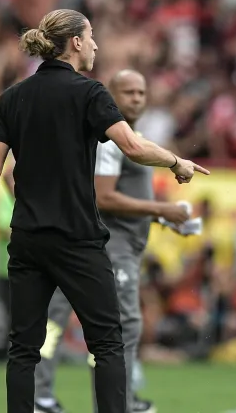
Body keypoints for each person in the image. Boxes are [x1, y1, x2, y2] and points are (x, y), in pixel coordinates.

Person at [0, 9, 208, 413]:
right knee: (108, 343)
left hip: (28, 241)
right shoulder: (90, 93)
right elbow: (133, 146)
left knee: (23, 349)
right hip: (78, 240)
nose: (95, 45)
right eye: (90, 37)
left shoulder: (12, 98)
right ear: (74, 42)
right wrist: (177, 162)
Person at [31, 70, 187, 413]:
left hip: (100, 243)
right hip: (109, 246)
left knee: (62, 322)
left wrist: (162, 217)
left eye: (141, 92)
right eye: (127, 92)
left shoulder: (124, 136)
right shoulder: (112, 139)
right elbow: (104, 197)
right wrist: (162, 208)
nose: (136, 98)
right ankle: (114, 402)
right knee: (116, 325)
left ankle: (47, 397)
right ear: (110, 98)